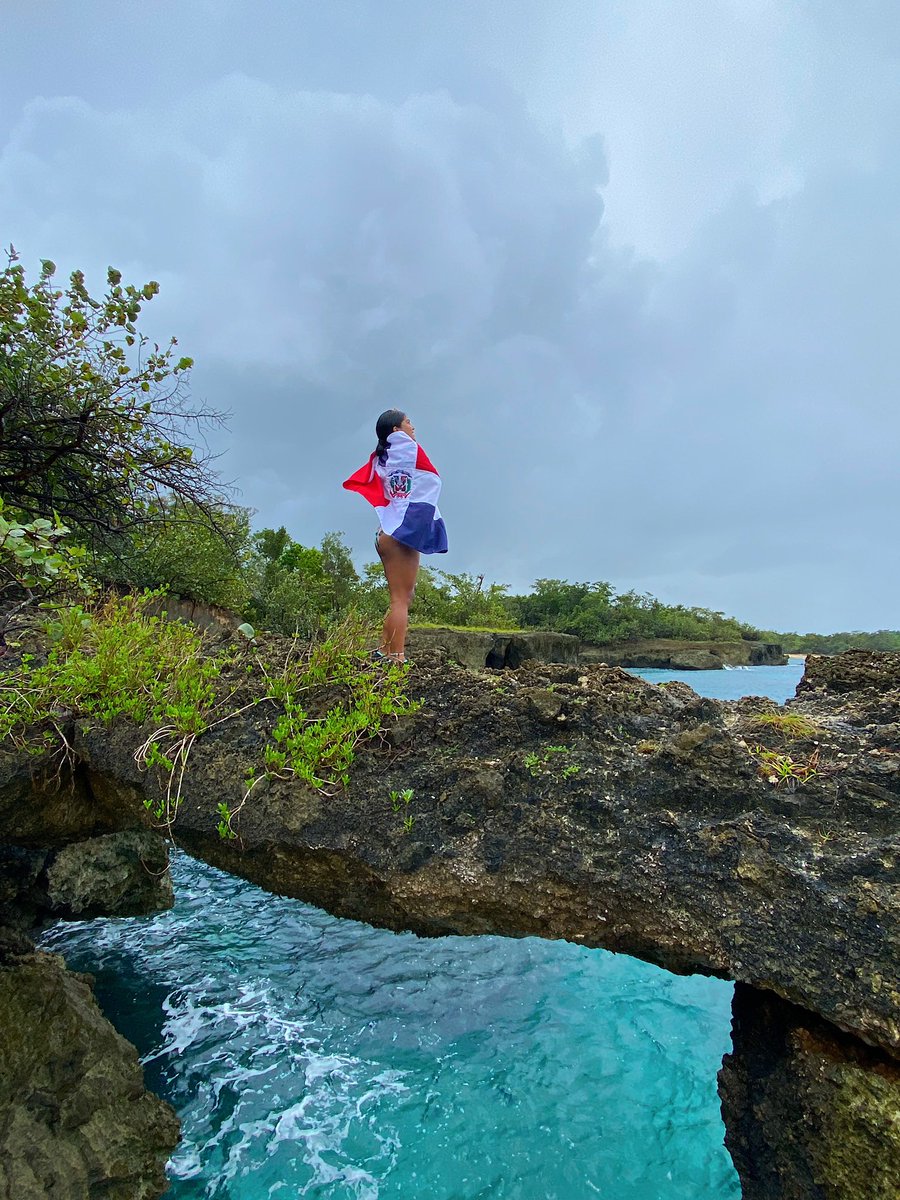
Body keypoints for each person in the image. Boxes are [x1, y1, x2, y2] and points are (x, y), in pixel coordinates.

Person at [343, 410, 448, 662]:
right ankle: (397, 657)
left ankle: (384, 651)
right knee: (401, 599)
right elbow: (431, 480)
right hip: (400, 534)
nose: (413, 427)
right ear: (396, 430)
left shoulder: (385, 457)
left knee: (399, 598)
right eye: (408, 422)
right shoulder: (404, 449)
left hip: (387, 533)